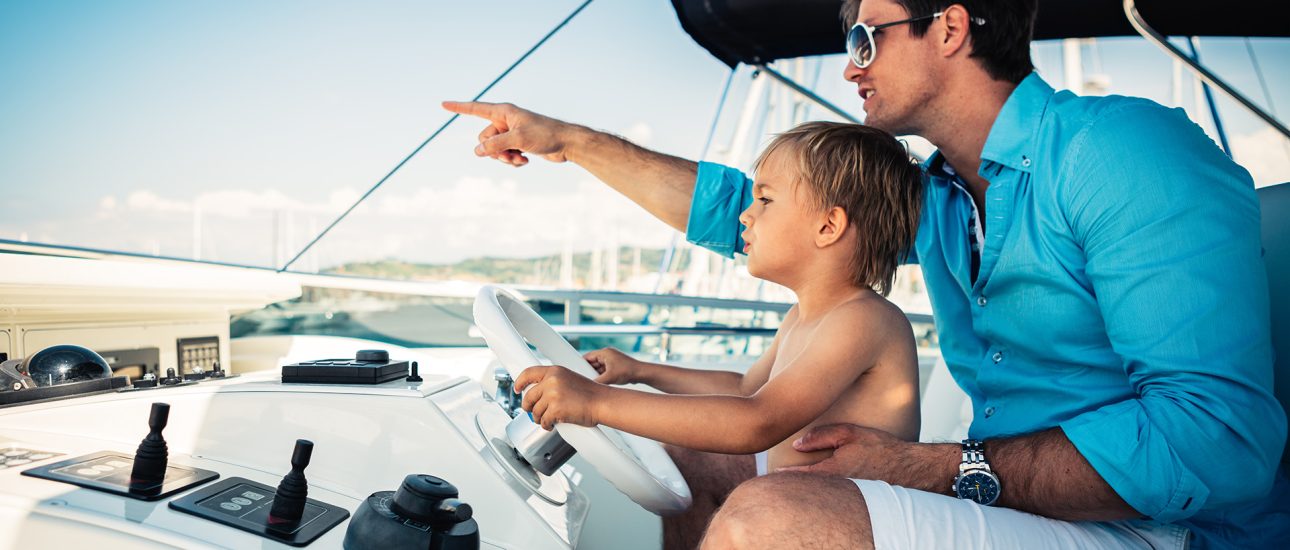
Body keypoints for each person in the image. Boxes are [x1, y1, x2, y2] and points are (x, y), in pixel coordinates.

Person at [445, 0, 1289, 547]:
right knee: (691, 464)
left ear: (949, 29)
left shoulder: (1123, 154)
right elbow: (750, 215)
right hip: (1017, 502)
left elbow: (1218, 440)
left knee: (771, 517)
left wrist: (933, 466)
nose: (850, 64)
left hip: (1157, 529)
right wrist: (569, 142)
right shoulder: (945, 198)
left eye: (865, 36)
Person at [513, 122, 923, 478]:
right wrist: (639, 370)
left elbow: (757, 422)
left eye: (765, 200)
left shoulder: (862, 319)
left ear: (828, 226)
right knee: (689, 461)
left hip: (855, 517)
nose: (746, 214)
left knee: (751, 507)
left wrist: (596, 402)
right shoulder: (804, 315)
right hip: (808, 498)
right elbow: (745, 391)